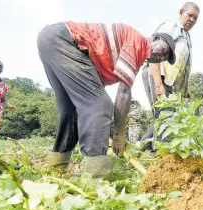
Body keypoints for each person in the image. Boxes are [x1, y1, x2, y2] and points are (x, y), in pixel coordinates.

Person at [37, 21, 176, 179]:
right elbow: (123, 92)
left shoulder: (135, 45)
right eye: (164, 50)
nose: (161, 57)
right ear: (155, 38)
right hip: (64, 40)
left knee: (71, 110)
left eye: (165, 57)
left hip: (49, 39)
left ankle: (56, 169)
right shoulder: (139, 43)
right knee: (100, 105)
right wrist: (119, 136)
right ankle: (95, 179)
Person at [141, 2, 200, 152]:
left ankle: (142, 146)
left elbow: (182, 66)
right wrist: (158, 84)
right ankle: (161, 156)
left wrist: (185, 90)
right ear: (181, 12)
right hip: (157, 76)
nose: (192, 20)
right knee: (165, 116)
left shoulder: (187, 37)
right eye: (190, 15)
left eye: (195, 18)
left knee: (168, 115)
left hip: (172, 85)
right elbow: (154, 51)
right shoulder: (171, 27)